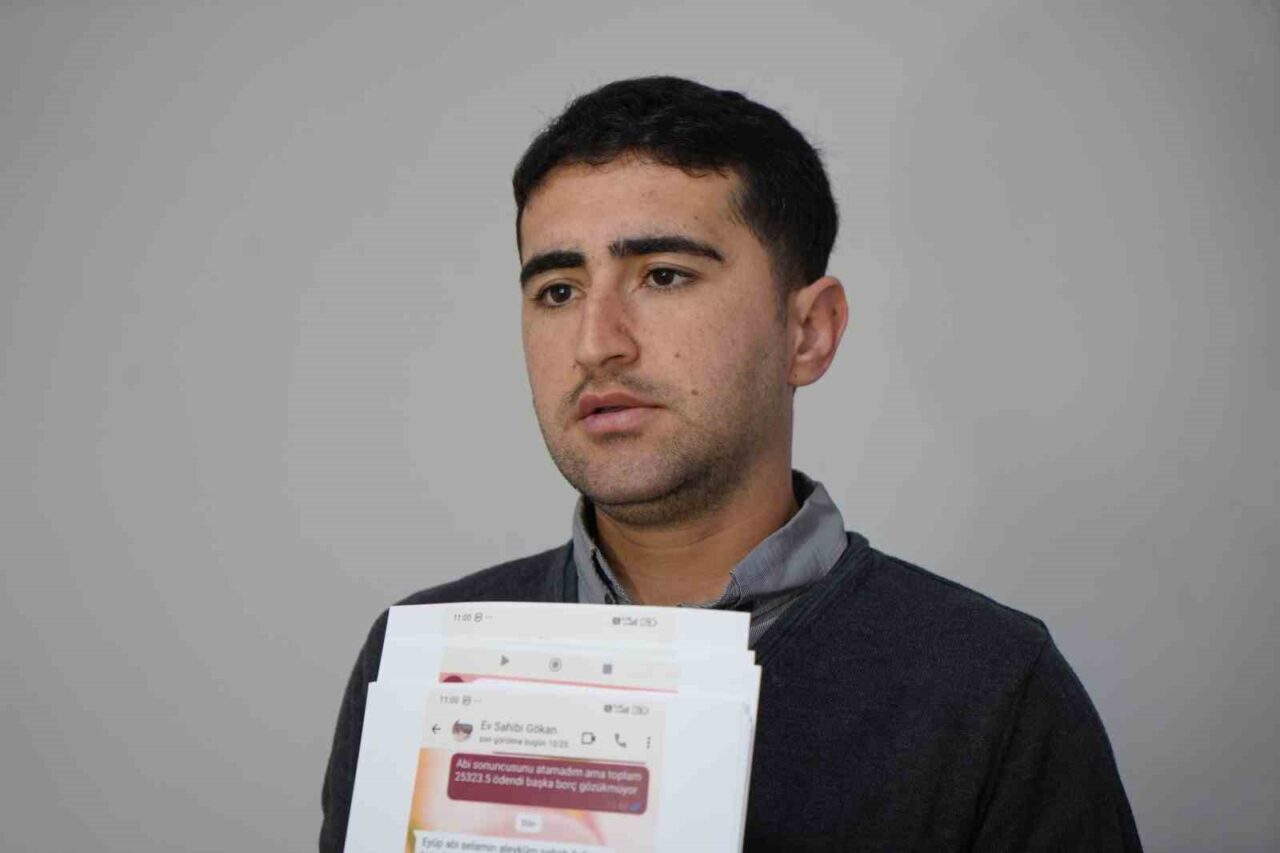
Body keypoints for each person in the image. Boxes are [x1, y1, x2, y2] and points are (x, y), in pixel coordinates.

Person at [320, 76, 1143, 851]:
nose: (596, 343)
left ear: (809, 332)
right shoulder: (419, 662)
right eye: (558, 290)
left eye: (664, 275)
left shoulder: (992, 687)